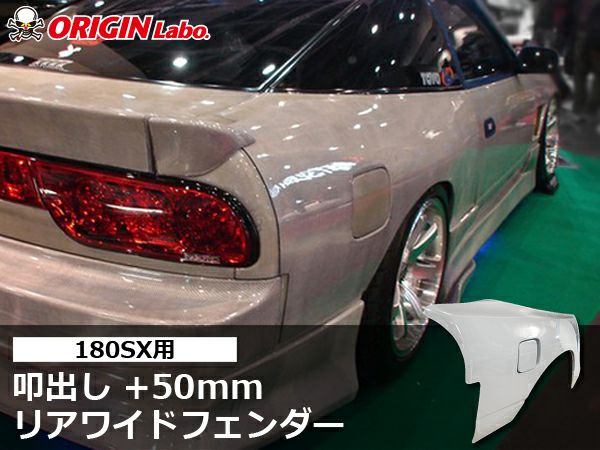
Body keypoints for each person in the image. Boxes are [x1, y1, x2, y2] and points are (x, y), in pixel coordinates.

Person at [573, 0, 600, 119]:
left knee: (580, 74)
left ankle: (580, 107)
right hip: (593, 41)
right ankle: (590, 108)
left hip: (585, 38)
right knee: (597, 76)